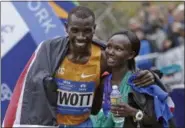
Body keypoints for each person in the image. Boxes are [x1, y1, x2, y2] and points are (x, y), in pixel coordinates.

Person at [3, 6, 165, 127]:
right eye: (75, 31)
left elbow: (127, 72)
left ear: (94, 29)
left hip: (84, 124)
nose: (81, 37)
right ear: (66, 28)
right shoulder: (50, 52)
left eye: (87, 31)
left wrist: (151, 75)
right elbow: (29, 87)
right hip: (55, 124)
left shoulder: (102, 56)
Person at [91, 30, 175, 128]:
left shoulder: (140, 81)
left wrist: (132, 112)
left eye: (118, 49)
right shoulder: (103, 82)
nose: (110, 52)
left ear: (131, 55)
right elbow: (94, 111)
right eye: (109, 47)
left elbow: (159, 121)